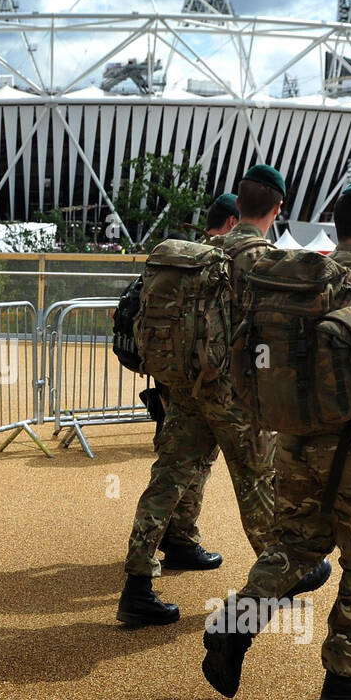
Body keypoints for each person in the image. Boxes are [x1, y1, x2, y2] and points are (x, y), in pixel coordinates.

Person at [202, 181, 351, 700]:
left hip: (291, 438)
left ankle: (234, 623)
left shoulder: (295, 276)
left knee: (295, 544)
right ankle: (346, 672)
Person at [118, 168, 330, 627]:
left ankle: (136, 585)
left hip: (186, 389)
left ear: (237, 211)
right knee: (257, 484)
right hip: (236, 396)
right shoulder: (269, 261)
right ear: (276, 210)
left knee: (167, 478)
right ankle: (280, 577)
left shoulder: (202, 254)